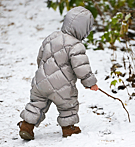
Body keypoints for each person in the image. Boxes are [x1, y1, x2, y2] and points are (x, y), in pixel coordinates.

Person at [18, 6, 98, 140]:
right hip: (63, 88)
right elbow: (81, 67)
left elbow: (40, 57)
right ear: (84, 29)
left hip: (41, 83)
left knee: (36, 104)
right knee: (68, 106)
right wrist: (90, 82)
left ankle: (27, 125)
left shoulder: (51, 37)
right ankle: (68, 128)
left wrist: (43, 73)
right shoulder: (76, 45)